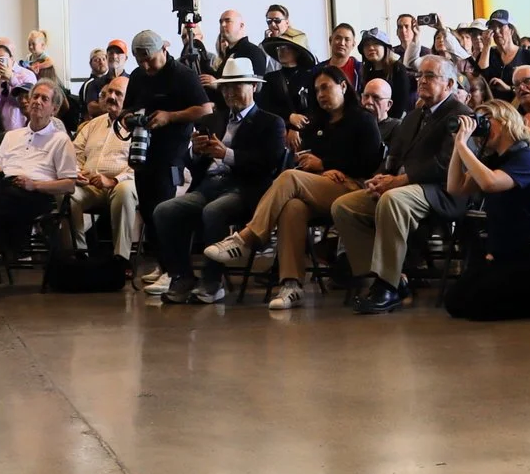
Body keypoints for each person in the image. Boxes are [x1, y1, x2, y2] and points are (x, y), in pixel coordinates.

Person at [204, 65, 383, 308]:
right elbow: (306, 158)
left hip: (355, 187)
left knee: (289, 178)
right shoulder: (316, 122)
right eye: (316, 89)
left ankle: (247, 237)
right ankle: (291, 284)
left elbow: (371, 161)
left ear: (343, 86)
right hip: (321, 186)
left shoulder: (362, 119)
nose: (320, 94)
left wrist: (327, 163)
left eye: (325, 87)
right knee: (293, 208)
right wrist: (321, 167)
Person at [333, 54, 469, 315]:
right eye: (420, 76)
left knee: (392, 199)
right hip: (404, 187)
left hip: (441, 191)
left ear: (450, 85)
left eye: (430, 76)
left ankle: (388, 286)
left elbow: (446, 164)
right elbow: (393, 157)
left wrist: (398, 181)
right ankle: (384, 277)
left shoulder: (460, 115)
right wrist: (380, 178)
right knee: (344, 206)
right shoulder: (414, 116)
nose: (422, 81)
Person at [153, 58, 285, 304]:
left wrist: (226, 154)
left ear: (253, 87)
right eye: (225, 88)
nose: (230, 93)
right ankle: (182, 275)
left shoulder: (271, 122)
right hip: (209, 185)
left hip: (244, 189)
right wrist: (196, 151)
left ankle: (212, 281)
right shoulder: (214, 119)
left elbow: (269, 163)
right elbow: (190, 162)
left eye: (237, 87)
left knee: (214, 211)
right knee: (164, 210)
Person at [443, 100, 530, 321]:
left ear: (504, 122)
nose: (480, 127)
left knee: (480, 309)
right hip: (503, 253)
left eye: (485, 121)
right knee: (454, 302)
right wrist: (457, 146)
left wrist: (464, 146)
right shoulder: (493, 161)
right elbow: (455, 187)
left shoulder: (528, 158)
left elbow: (490, 183)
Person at [0, 81, 81, 300]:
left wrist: (35, 185)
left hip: (36, 193)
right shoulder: (11, 135)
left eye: (44, 99)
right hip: (5, 186)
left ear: (54, 109)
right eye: (35, 97)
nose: (36, 101)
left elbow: (69, 184)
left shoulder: (60, 140)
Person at [121, 28, 212, 233]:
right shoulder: (138, 76)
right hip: (142, 152)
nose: (146, 66)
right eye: (140, 61)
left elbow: (206, 109)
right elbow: (127, 107)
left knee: (164, 209)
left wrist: (170, 117)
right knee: (146, 210)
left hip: (172, 153)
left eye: (150, 60)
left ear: (163, 49)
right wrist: (126, 118)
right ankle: (159, 262)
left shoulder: (183, 74)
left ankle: (171, 262)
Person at [68, 76, 138, 258]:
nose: (111, 97)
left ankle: (121, 258)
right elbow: (74, 154)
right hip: (90, 185)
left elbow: (141, 165)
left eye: (118, 93)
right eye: (109, 92)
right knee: (67, 191)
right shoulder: (93, 125)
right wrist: (77, 173)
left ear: (129, 98)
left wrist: (113, 180)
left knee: (125, 189)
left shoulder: (138, 125)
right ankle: (80, 254)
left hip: (122, 183)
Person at [0, 39, 36, 131]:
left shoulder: (27, 75)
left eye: (2, 58)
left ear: (12, 57)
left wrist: (12, 79)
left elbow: (28, 103)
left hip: (21, 128)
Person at [358, 27, 415, 113]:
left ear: (385, 48)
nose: (371, 48)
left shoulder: (398, 69)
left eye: (376, 44)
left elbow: (401, 103)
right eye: (367, 45)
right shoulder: (365, 73)